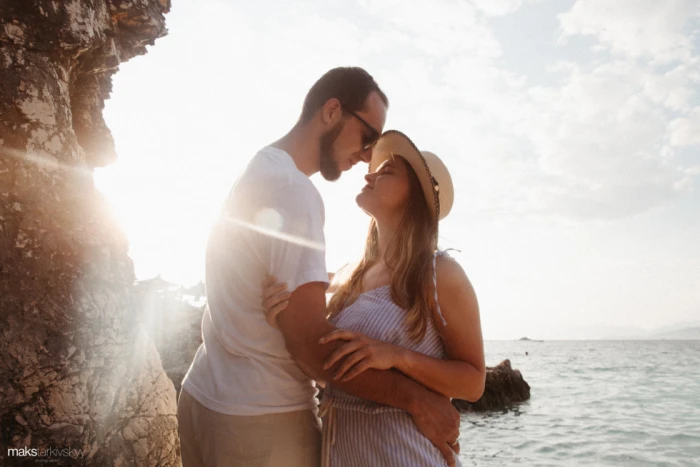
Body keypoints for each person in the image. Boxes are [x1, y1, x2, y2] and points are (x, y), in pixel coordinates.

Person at [177, 67, 461, 467]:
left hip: (204, 397)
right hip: (260, 421)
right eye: (368, 138)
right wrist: (417, 399)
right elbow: (312, 347)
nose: (367, 159)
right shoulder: (295, 191)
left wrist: (304, 301)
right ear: (331, 111)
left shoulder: (260, 168)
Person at [262, 130, 486, 466]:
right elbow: (332, 372)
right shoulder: (347, 276)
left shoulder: (440, 273)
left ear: (415, 198)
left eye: (387, 172)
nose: (369, 174)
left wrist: (397, 356)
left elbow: (473, 382)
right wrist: (282, 319)